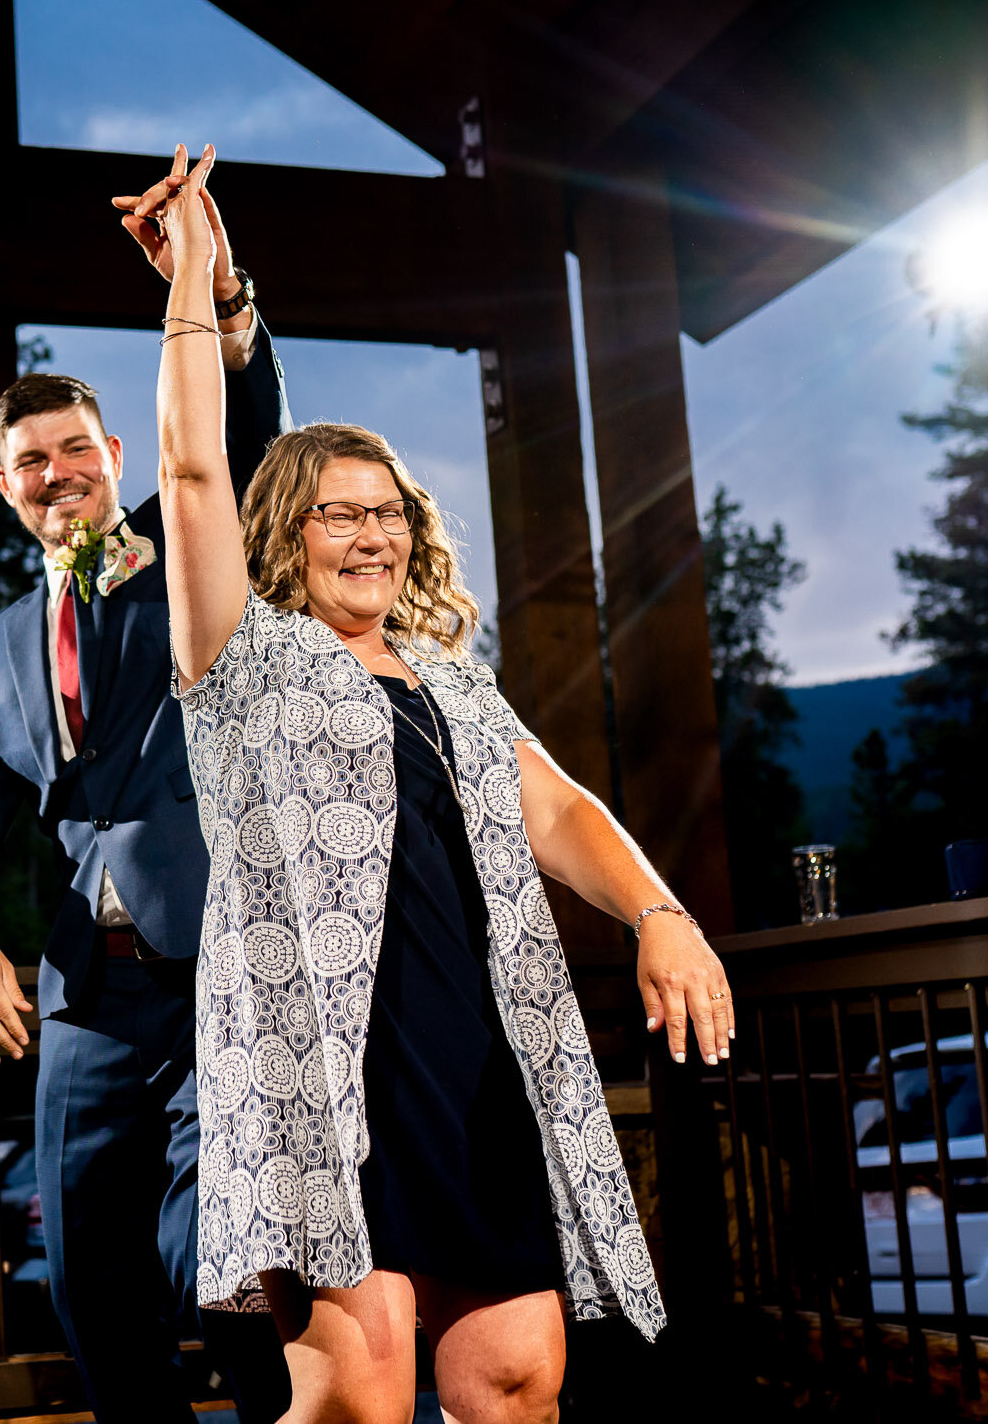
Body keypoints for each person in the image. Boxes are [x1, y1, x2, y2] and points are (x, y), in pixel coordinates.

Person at [148, 144, 734, 1424]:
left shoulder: (450, 679)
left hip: (481, 1061)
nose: (371, 535)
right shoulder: (243, 659)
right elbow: (193, 473)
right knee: (356, 1399)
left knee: (518, 1380)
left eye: (387, 511)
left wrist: (660, 915)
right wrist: (198, 282)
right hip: (332, 1069)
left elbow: (559, 807)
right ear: (281, 541)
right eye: (335, 515)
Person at [0, 157, 293, 1422]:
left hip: (224, 968)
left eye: (77, 447)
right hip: (82, 1001)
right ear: (3, 484)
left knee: (220, 1271)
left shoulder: (200, 545)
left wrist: (216, 288)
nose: (57, 469)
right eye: (30, 458)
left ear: (116, 453)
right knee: (89, 1287)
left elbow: (242, 435)